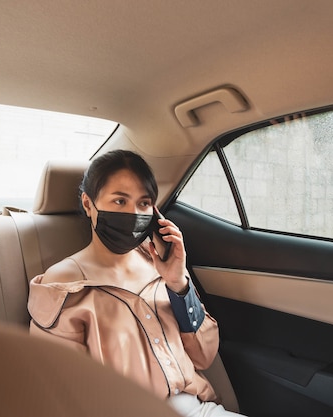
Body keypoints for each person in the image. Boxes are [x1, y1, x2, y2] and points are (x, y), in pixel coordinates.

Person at [27, 150, 243, 417]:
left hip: (196, 408)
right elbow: (61, 393)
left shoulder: (158, 264)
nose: (133, 213)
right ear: (88, 204)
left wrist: (178, 283)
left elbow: (203, 357)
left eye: (143, 204)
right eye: (119, 201)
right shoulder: (63, 284)